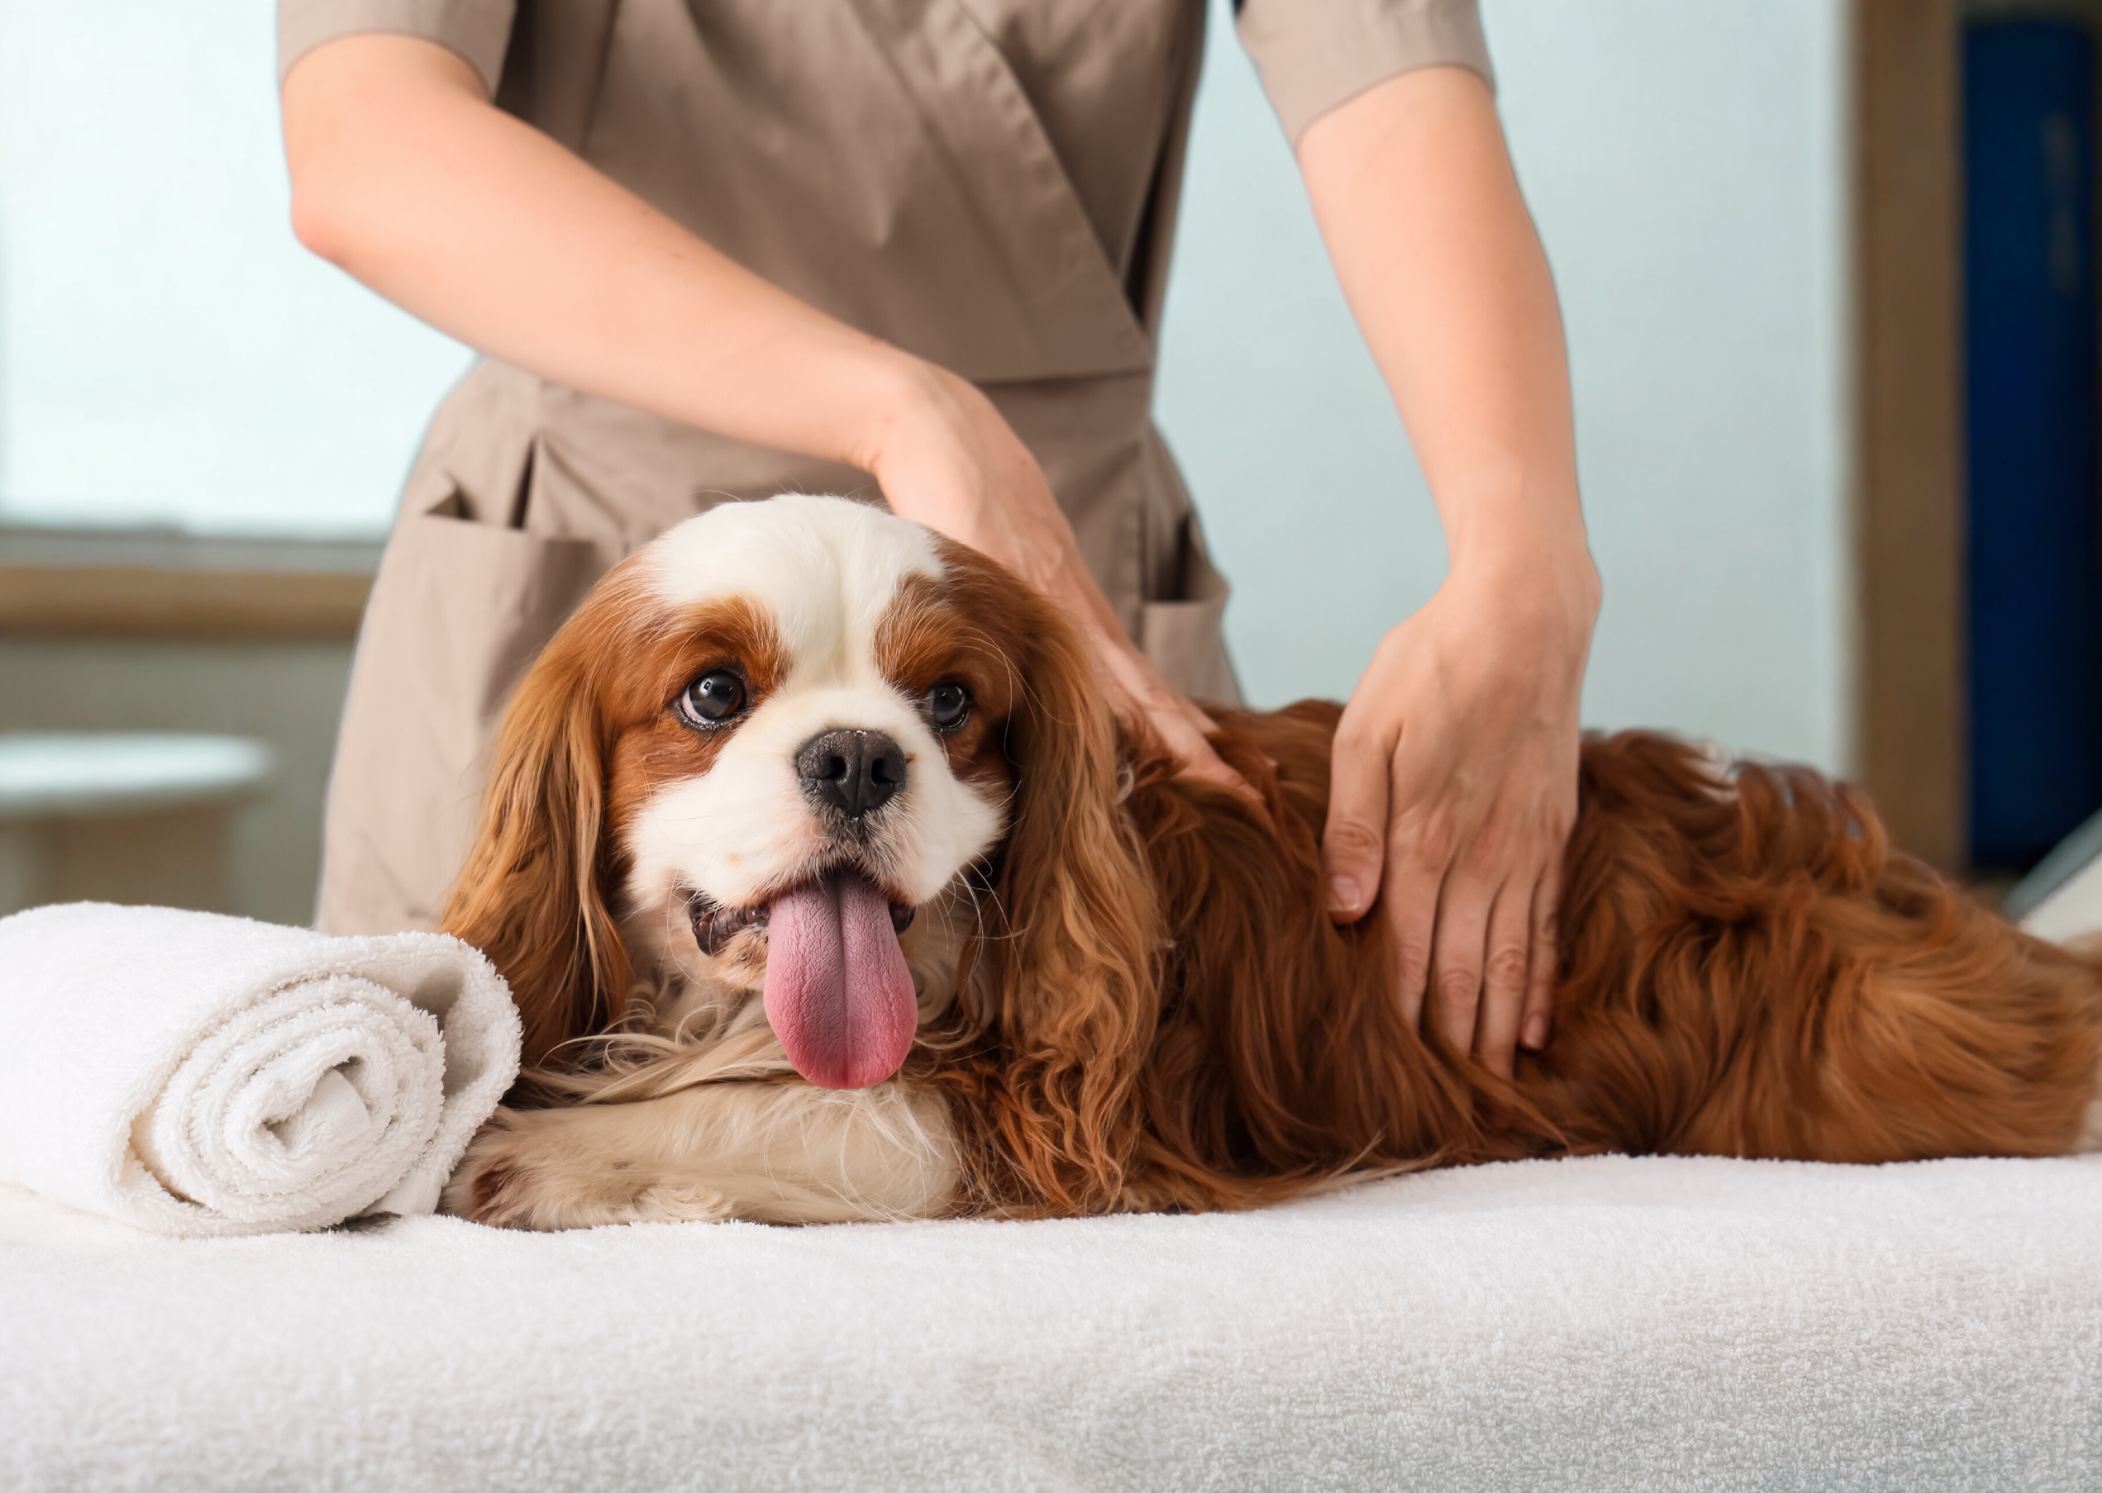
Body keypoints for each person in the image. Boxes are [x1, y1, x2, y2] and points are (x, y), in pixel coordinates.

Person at [280, 0, 1598, 1077]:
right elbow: (366, 141)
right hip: (594, 556)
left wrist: (1527, 567)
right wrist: (903, 412)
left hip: (1035, 631)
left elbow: (1387, 83)